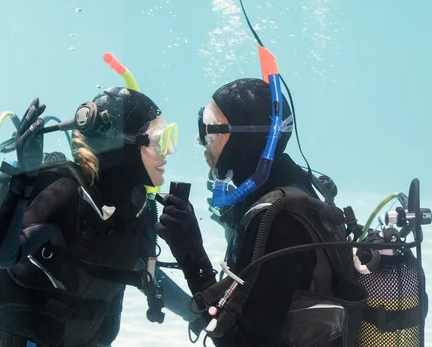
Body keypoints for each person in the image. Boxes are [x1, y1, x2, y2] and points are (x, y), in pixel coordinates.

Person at [155, 77, 369, 347]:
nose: (201, 140)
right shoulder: (296, 184)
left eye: (210, 130)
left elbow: (236, 342)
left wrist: (191, 255)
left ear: (247, 140)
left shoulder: (277, 221)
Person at [0, 87, 180, 347]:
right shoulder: (68, 194)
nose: (168, 152)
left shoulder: (136, 204)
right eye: (160, 140)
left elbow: (146, 273)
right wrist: (24, 176)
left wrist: (197, 313)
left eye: (170, 138)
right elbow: (3, 256)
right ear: (123, 143)